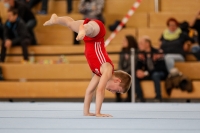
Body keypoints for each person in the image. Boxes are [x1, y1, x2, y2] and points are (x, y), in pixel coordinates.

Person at [43, 14, 132, 117]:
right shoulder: (107, 69)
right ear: (117, 80)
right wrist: (98, 113)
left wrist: (86, 112)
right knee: (89, 28)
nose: (113, 92)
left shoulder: (99, 73)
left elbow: (89, 91)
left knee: (70, 24)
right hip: (97, 32)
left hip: (88, 38)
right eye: (116, 90)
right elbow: (100, 90)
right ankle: (83, 29)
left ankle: (56, 19)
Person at [136, 36, 168, 102]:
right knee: (134, 76)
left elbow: (159, 67)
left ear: (147, 44)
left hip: (160, 72)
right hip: (148, 73)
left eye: (141, 43)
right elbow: (138, 65)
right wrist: (138, 71)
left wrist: (145, 73)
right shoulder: (141, 54)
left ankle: (158, 97)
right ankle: (140, 97)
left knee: (155, 75)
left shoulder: (158, 52)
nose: (139, 45)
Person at [116, 35, 138, 102]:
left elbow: (133, 65)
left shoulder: (135, 51)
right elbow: (120, 63)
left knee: (129, 76)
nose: (123, 42)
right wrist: (120, 72)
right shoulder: (122, 51)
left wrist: (124, 73)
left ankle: (130, 97)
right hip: (123, 71)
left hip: (130, 71)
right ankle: (118, 97)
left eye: (125, 41)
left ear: (130, 42)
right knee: (116, 77)